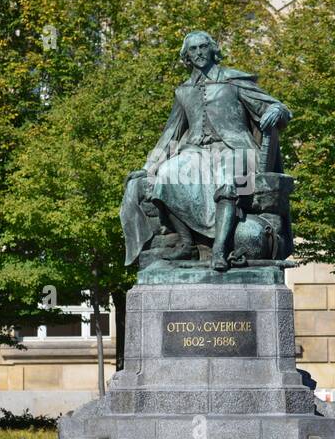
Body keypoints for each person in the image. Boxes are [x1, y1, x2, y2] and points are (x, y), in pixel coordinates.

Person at [121, 31, 290, 271]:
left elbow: (276, 107)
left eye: (203, 47)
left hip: (235, 148)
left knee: (227, 180)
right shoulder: (183, 91)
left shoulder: (234, 81)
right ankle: (187, 244)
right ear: (186, 56)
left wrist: (278, 111)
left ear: (213, 50)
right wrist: (148, 168)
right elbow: (171, 134)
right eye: (193, 49)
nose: (199, 53)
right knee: (167, 174)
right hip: (196, 152)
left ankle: (219, 250)